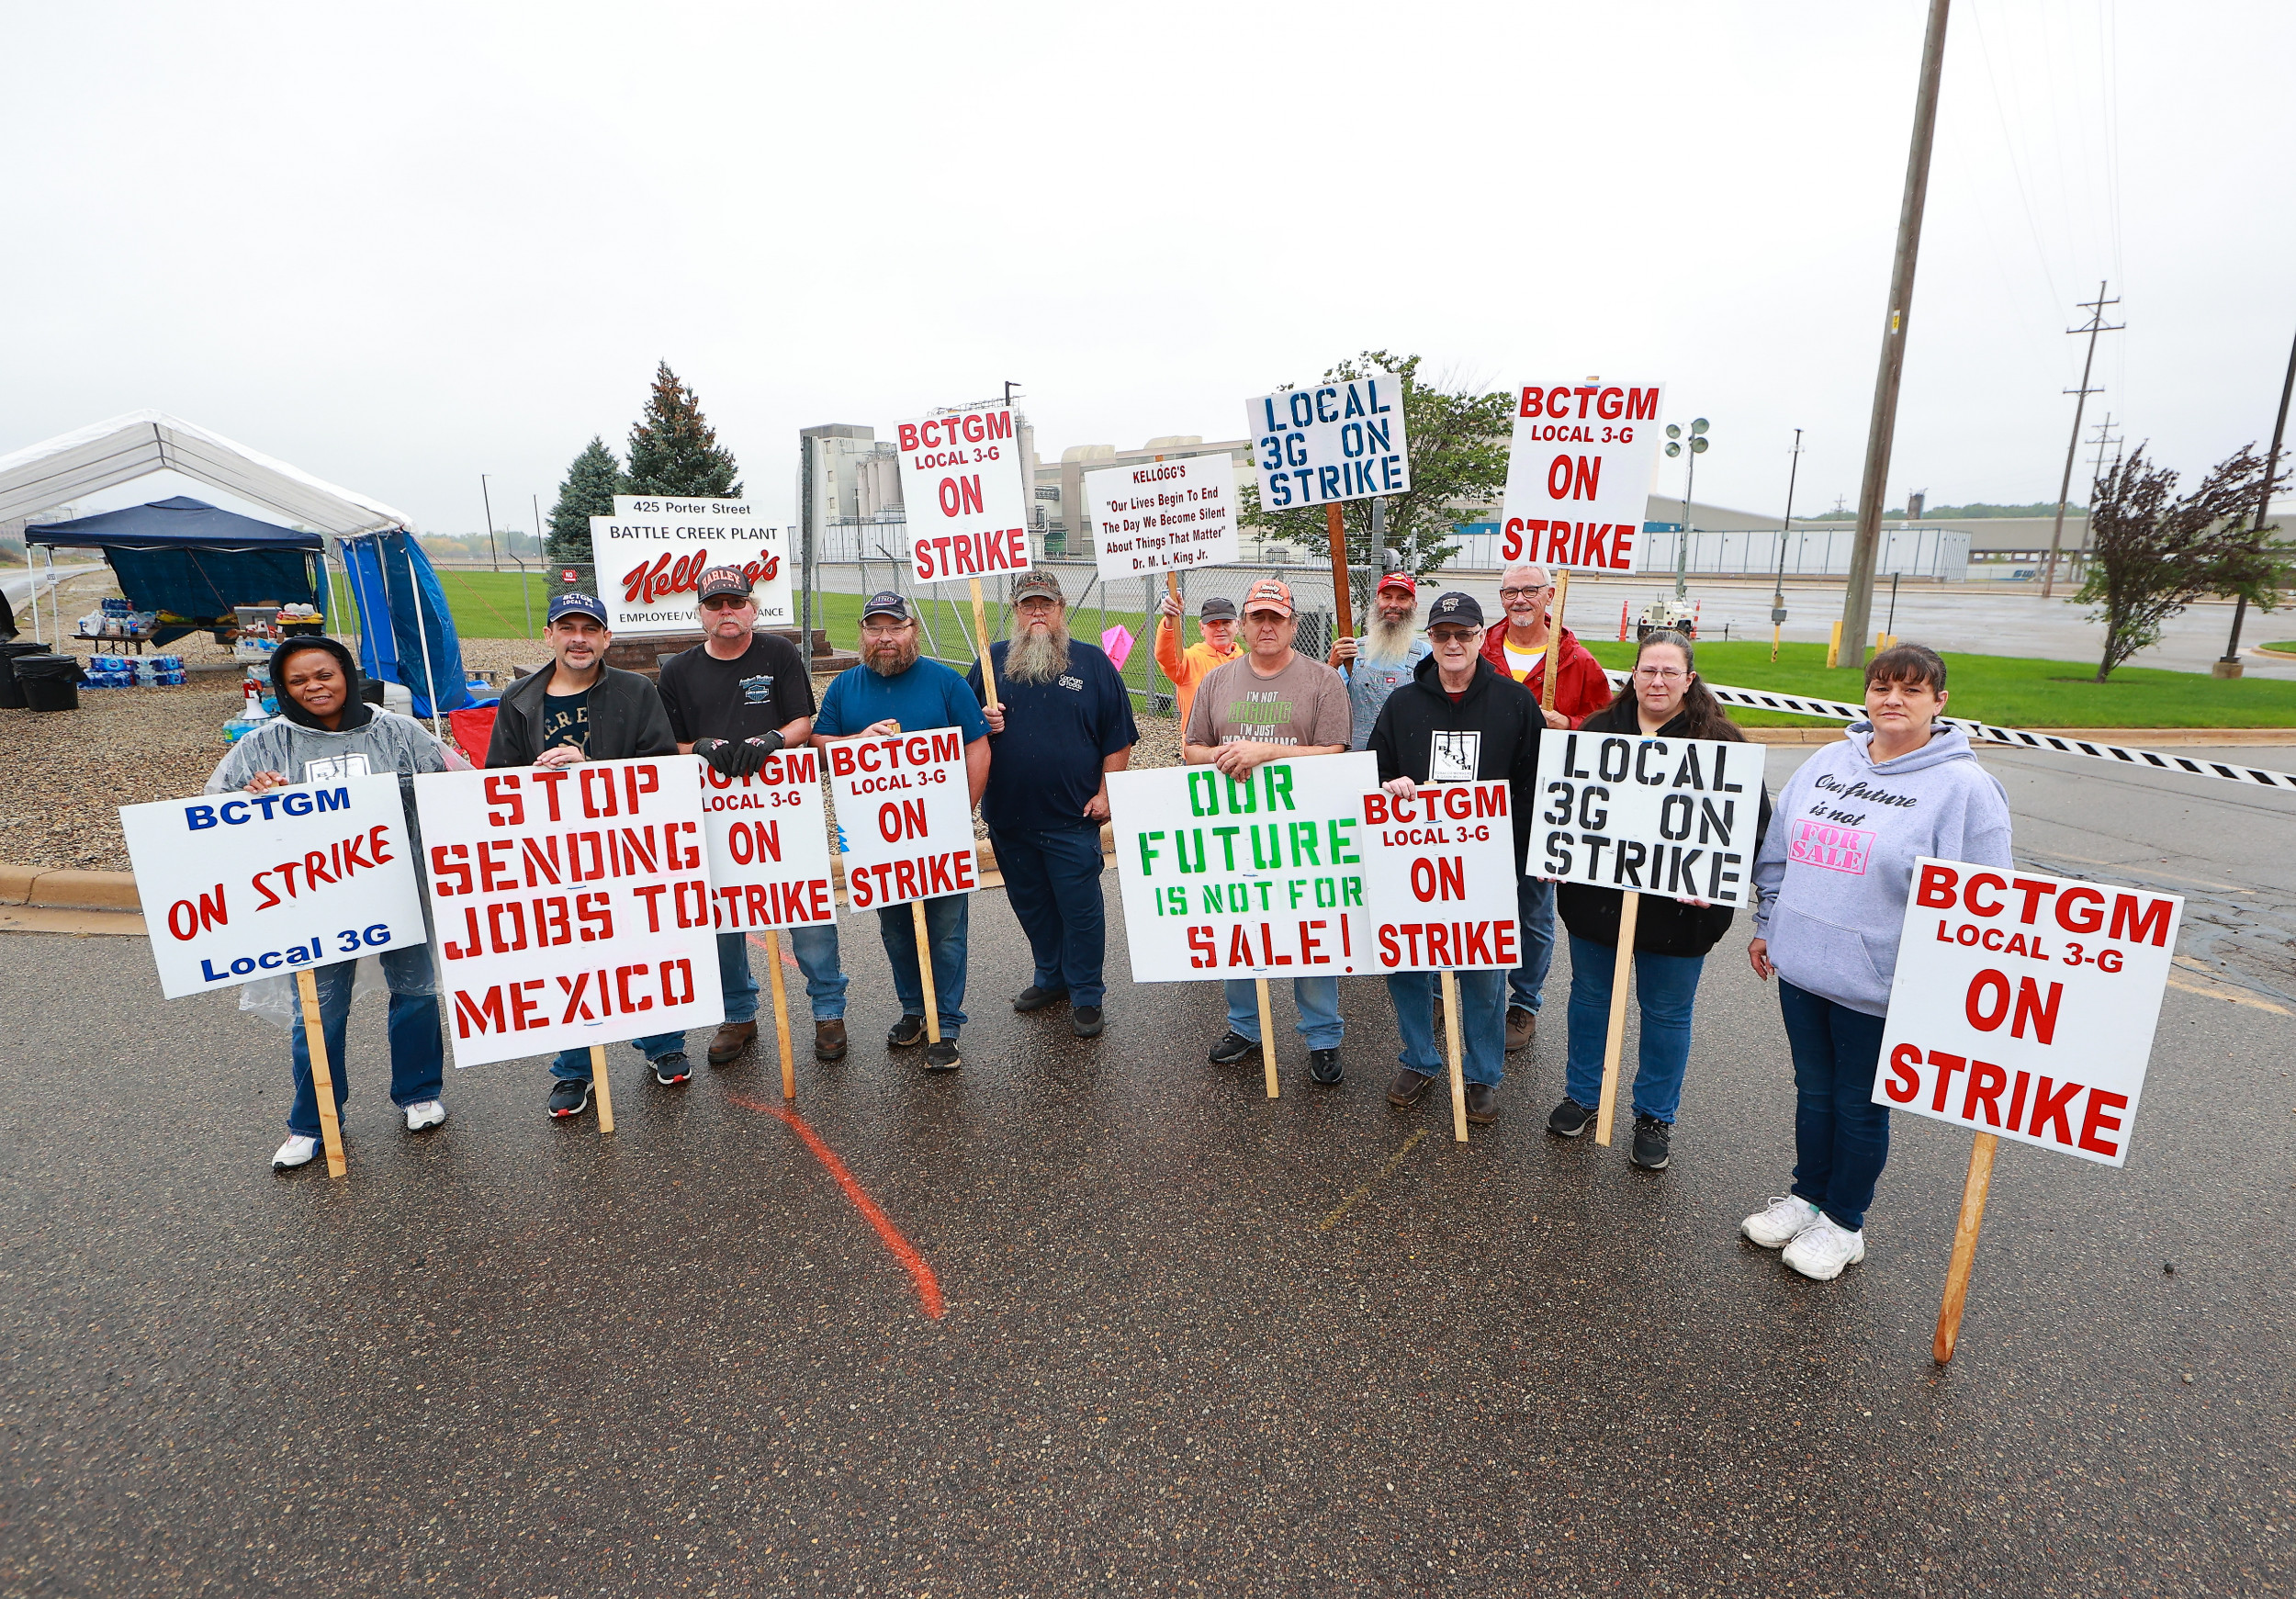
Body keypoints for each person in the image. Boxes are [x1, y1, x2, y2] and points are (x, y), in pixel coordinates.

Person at [1741, 642, 2013, 1282]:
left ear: (1939, 702)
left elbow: (1988, 900)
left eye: (1912, 690)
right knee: (1814, 1091)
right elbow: (1779, 850)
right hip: (1802, 965)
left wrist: (1952, 983)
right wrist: (1767, 924)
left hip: (1881, 982)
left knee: (1859, 1104)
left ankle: (1843, 1222)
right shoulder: (1828, 761)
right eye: (1883, 686)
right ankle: (1807, 1195)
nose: (1894, 699)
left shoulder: (1964, 788)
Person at [206, 636, 451, 1170]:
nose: (315, 687)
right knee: (317, 1010)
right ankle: (312, 1121)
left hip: (399, 887)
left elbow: (447, 793)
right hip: (315, 899)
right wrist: (252, 794)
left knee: (415, 992)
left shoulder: (400, 732)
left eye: (325, 674)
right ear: (282, 690)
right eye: (298, 681)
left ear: (346, 673)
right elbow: (215, 813)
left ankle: (419, 1093)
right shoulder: (262, 745)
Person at [1544, 630, 1771, 1171]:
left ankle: (1654, 1115)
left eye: (1671, 672)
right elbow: (1564, 805)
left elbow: (1752, 825)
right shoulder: (1598, 732)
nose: (1659, 681)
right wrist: (1556, 853)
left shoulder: (1722, 743)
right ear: (1634, 676)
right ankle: (1582, 1095)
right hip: (1598, 905)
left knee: (1667, 1015)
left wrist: (1717, 876)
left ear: (1689, 680)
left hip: (1680, 915)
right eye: (1649, 670)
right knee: (1590, 999)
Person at [485, 592, 685, 1117]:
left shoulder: (637, 691)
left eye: (590, 629)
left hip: (625, 847)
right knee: (569, 960)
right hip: (549, 853)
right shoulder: (519, 697)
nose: (579, 638)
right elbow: (495, 778)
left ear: (606, 638)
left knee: (641, 947)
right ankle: (575, 1068)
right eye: (567, 627)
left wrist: (590, 765)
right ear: (549, 635)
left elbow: (661, 768)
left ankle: (662, 1042)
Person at [657, 565, 846, 1068]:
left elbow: (804, 720)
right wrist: (698, 746)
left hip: (782, 806)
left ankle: (828, 1009)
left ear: (753, 608)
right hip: (712, 812)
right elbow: (663, 744)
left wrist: (773, 740)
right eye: (716, 604)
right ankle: (738, 1014)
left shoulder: (778, 652)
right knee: (722, 920)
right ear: (700, 613)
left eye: (736, 603)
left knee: (806, 911)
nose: (727, 612)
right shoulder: (677, 671)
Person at [1367, 592, 1542, 1124]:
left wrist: (1524, 859)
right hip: (1413, 864)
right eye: (1442, 634)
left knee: (1485, 974)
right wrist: (1389, 784)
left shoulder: (1513, 702)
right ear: (1432, 638)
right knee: (1408, 966)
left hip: (1488, 867)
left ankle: (1483, 1073)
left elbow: (1535, 785)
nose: (1452, 644)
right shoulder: (1403, 703)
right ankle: (1419, 1058)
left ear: (1480, 636)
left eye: (1463, 634)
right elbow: (1374, 769)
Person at [1182, 578, 1354, 1083]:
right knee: (1239, 927)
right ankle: (1245, 1026)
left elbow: (1335, 753)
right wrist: (1225, 755)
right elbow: (1192, 748)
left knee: (1310, 931)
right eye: (1256, 617)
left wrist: (1267, 752)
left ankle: (1323, 1036)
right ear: (1244, 624)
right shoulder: (1217, 680)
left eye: (1275, 618)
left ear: (1293, 625)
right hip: (1235, 831)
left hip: (1304, 831)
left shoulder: (1323, 681)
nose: (1265, 626)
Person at [812, 591, 991, 1072]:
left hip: (940, 833)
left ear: (912, 630)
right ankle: (915, 1009)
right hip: (878, 838)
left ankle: (946, 1024)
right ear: (863, 635)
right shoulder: (845, 687)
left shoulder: (945, 682)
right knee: (895, 930)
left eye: (895, 628)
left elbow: (977, 746)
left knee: (947, 930)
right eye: (875, 629)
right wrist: (857, 740)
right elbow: (820, 744)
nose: (885, 638)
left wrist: (963, 811)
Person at [967, 569, 1137, 1040]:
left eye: (1045, 604)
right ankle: (1051, 977)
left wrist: (1109, 791)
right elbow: (962, 734)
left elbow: (1117, 735)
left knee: (1079, 907)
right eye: (1027, 605)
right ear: (1016, 612)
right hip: (1008, 816)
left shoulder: (1092, 663)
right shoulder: (990, 663)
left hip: (1071, 817)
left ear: (1061, 610)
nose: (1037, 612)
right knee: (1032, 904)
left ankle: (1086, 992)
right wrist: (982, 721)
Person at [1480, 560, 1615, 1056]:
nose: (1519, 599)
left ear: (1550, 594)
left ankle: (1525, 1002)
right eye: (1509, 591)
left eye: (1529, 590)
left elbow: (1609, 728)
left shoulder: (1576, 661)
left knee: (1533, 909)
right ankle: (1474, 992)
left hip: (1542, 804)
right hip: (1480, 801)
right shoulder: (1480, 649)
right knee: (1474, 898)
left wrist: (1572, 724)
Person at [1327, 571, 1430, 752]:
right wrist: (1332, 665)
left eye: (1402, 598)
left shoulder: (1426, 655)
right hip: (1356, 758)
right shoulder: (1353, 651)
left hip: (1405, 757)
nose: (1393, 605)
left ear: (1414, 605)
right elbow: (1327, 703)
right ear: (1376, 602)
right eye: (1387, 597)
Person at [1153, 591, 1242, 731]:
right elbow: (1166, 656)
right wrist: (1171, 622)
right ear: (1201, 627)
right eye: (1213, 624)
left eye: (1226, 622)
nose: (1220, 628)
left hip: (1237, 745)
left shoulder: (1246, 662)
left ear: (1237, 625)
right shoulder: (1190, 661)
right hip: (1201, 747)